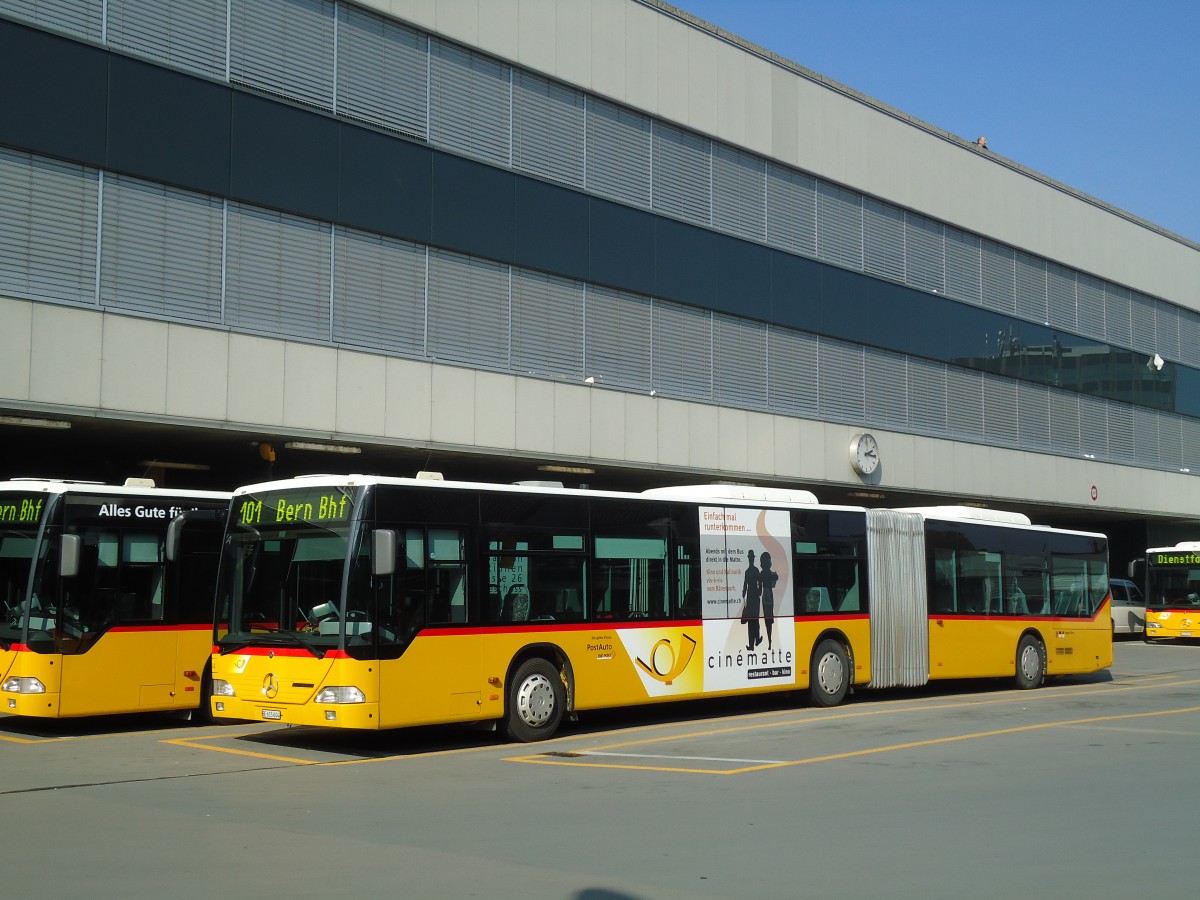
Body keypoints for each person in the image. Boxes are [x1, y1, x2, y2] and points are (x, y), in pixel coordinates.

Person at [741, 549, 761, 651]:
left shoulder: (750, 571)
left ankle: (754, 642)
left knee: (753, 620)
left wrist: (744, 593)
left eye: (751, 558)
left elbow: (746, 585)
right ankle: (754, 642)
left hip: (752, 597)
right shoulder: (751, 571)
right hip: (753, 597)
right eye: (750, 558)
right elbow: (746, 584)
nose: (751, 559)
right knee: (754, 620)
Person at [759, 551, 778, 649]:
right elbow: (775, 578)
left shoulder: (762, 573)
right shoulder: (770, 574)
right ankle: (769, 639)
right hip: (769, 595)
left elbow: (759, 588)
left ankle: (769, 639)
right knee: (769, 618)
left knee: (768, 618)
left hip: (765, 596)